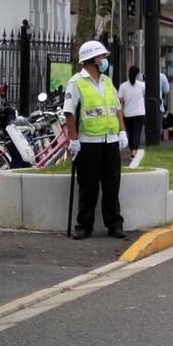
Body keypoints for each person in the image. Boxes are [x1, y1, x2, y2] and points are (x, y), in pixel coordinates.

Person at [63, 41, 129, 240]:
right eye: (101, 57)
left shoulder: (107, 82)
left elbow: (117, 109)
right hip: (88, 143)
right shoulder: (76, 83)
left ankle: (115, 224)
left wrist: (122, 132)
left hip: (110, 141)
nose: (104, 61)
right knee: (88, 187)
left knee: (112, 185)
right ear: (91, 60)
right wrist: (74, 140)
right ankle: (83, 226)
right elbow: (69, 114)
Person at [117, 66, 146, 158]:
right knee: (137, 132)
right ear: (137, 74)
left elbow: (119, 99)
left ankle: (132, 150)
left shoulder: (123, 86)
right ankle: (134, 150)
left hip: (128, 113)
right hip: (139, 112)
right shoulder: (142, 85)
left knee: (131, 132)